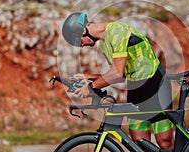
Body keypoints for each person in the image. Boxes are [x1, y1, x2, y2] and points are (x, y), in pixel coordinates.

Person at [61, 12, 174, 149]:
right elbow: (119, 74)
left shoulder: (117, 31)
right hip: (136, 89)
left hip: (156, 86)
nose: (81, 45)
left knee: (165, 142)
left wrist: (91, 87)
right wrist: (89, 78)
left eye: (77, 41)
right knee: (140, 144)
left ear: (83, 30)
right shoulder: (104, 44)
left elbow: (117, 73)